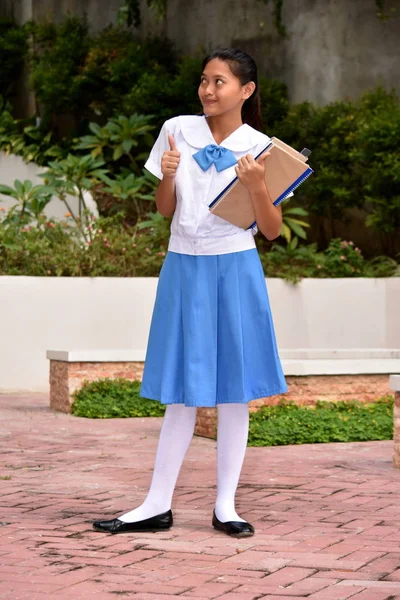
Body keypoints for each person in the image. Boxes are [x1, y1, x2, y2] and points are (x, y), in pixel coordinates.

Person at [93, 47, 287, 538]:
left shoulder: (263, 147)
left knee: (233, 392)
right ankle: (156, 504)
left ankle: (227, 507)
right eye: (203, 80)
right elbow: (164, 209)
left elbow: (270, 231)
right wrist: (172, 174)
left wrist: (260, 187)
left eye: (219, 82)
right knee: (180, 389)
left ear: (246, 91)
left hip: (235, 269)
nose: (207, 89)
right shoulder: (176, 129)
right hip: (183, 266)